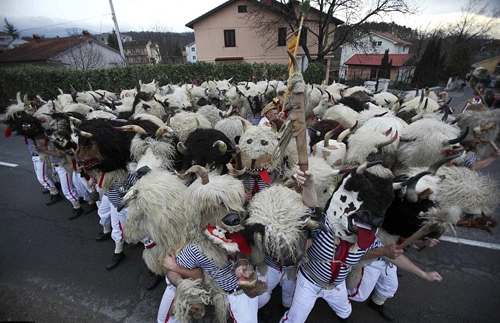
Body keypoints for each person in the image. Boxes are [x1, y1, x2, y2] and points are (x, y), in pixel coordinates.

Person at [347, 238, 442, 321]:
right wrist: (424, 274)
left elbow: (399, 235)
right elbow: (388, 253)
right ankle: (341, 306)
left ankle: (376, 304)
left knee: (390, 286)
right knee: (358, 295)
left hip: (386, 257)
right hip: (370, 260)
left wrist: (423, 240)